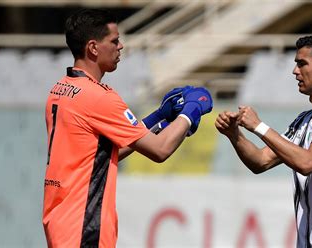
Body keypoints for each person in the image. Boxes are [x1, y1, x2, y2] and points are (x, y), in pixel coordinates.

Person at [42, 9, 212, 248]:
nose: (121, 46)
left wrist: (159, 118)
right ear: (93, 47)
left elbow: (100, 155)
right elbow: (160, 150)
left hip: (62, 222)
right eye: (114, 41)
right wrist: (191, 110)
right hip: (84, 228)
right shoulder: (99, 98)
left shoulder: (59, 90)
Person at [215, 35, 312, 247]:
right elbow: (261, 161)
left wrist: (259, 126)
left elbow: (308, 163)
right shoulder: (304, 121)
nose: (295, 71)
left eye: (302, 63)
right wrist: (234, 134)